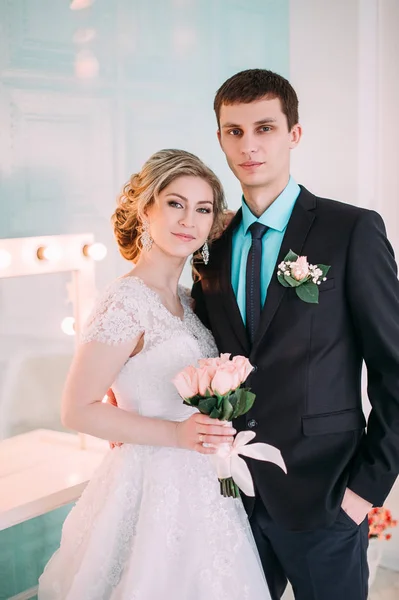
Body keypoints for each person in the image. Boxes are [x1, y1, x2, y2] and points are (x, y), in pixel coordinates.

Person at [192, 69, 399, 600]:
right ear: (219, 139)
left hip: (326, 498)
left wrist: (362, 494)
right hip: (230, 498)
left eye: (265, 127)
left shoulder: (350, 230)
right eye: (234, 131)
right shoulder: (209, 246)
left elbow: (395, 371)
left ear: (294, 134)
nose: (249, 145)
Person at [37, 149, 272, 599]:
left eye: (203, 209)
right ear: (146, 209)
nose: (189, 220)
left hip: (206, 490)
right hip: (149, 485)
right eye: (175, 203)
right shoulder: (125, 301)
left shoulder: (191, 300)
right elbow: (76, 410)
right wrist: (175, 434)